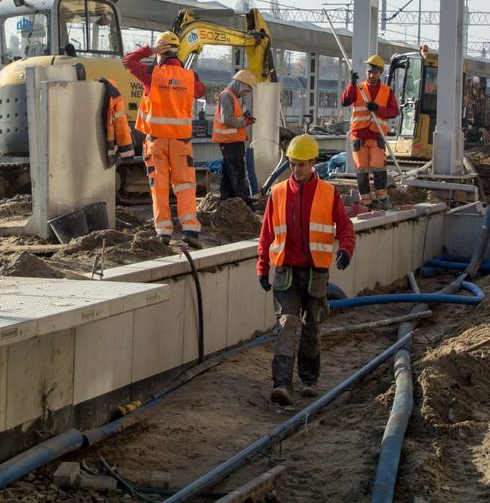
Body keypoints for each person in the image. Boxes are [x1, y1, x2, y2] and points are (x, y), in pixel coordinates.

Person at [256, 134, 356, 406]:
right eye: (292, 164)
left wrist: (346, 249)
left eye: (301, 164)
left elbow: (346, 228)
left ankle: (309, 380)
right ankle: (282, 384)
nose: (296, 170)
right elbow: (266, 235)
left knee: (312, 325)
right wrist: (262, 267)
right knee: (288, 322)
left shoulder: (328, 193)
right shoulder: (277, 194)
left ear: (313, 163)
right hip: (285, 271)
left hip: (315, 272)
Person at [124, 31, 206, 247]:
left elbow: (127, 61)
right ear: (177, 52)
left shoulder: (152, 74)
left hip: (156, 141)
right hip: (181, 142)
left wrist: (149, 50)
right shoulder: (190, 76)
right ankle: (190, 229)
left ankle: (163, 232)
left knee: (159, 187)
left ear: (160, 53)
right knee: (185, 185)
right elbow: (201, 91)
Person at [339, 55, 399, 207]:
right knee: (361, 169)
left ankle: (382, 197)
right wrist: (351, 84)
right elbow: (345, 101)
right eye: (369, 72)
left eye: (375, 72)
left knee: (379, 166)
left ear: (380, 73)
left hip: (376, 135)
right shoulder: (358, 88)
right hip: (359, 135)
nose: (371, 75)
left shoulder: (387, 91)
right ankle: (366, 200)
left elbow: (393, 112)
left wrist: (377, 109)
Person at [212, 69, 256, 201]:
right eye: (246, 91)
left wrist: (243, 119)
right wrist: (244, 122)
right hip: (230, 142)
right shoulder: (227, 96)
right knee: (238, 172)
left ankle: (226, 198)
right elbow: (227, 120)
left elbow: (230, 118)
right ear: (241, 85)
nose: (245, 94)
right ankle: (244, 200)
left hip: (230, 141)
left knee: (228, 171)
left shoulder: (231, 96)